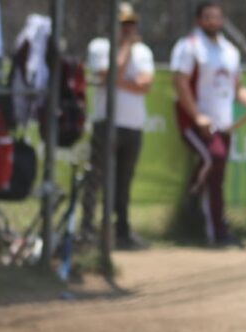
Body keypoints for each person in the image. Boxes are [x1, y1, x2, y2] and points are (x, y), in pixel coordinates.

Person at [171, 1, 246, 248]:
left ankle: (214, 228)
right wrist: (197, 117)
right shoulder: (189, 46)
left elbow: (237, 88)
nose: (213, 21)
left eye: (216, 17)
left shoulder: (230, 51)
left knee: (217, 176)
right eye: (207, 17)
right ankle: (198, 206)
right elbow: (180, 83)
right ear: (198, 20)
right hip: (196, 124)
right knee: (213, 158)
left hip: (225, 126)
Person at [81, 2, 154, 251]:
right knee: (96, 178)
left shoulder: (143, 51)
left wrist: (118, 79)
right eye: (124, 24)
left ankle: (121, 231)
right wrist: (123, 52)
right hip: (106, 122)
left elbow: (145, 85)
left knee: (124, 181)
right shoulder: (100, 46)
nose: (129, 29)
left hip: (133, 124)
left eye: (132, 24)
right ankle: (88, 230)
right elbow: (106, 77)